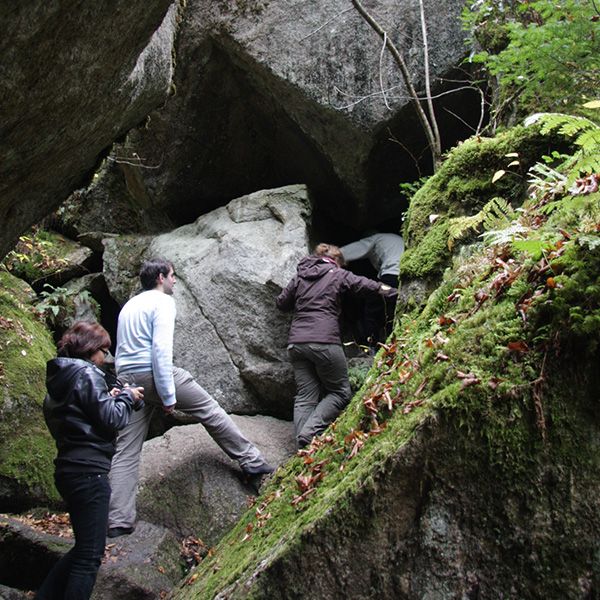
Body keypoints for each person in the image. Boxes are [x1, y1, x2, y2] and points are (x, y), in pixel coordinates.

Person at [107, 258, 273, 538]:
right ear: (161, 277)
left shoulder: (130, 306)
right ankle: (252, 461)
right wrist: (168, 395)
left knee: (126, 448)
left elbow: (123, 350)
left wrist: (125, 383)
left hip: (128, 378)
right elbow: (160, 349)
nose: (175, 281)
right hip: (154, 373)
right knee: (209, 409)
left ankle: (118, 519)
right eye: (172, 276)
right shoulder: (163, 303)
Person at [36, 321, 144, 600]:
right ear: (89, 349)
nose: (105, 358)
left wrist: (113, 398)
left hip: (68, 470)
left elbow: (80, 419)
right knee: (89, 557)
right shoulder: (87, 374)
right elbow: (112, 419)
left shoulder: (58, 383)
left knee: (83, 547)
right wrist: (126, 398)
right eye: (103, 351)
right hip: (89, 472)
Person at [276, 243, 397, 448]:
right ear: (337, 261)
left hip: (296, 344)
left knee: (306, 395)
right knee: (340, 392)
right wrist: (394, 291)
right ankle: (309, 433)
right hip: (324, 341)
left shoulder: (300, 277)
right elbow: (369, 286)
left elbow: (281, 303)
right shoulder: (336, 273)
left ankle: (303, 445)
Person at [340, 232, 404, 346]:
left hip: (389, 279)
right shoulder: (394, 239)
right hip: (403, 278)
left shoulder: (375, 239)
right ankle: (392, 341)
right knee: (392, 310)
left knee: (373, 307)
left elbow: (355, 249)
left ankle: (369, 343)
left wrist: (330, 256)